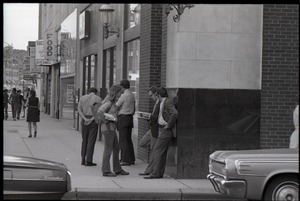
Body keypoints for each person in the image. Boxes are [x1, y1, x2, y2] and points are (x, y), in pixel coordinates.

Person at [144, 87, 178, 179]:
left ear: (158, 95)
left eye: (155, 95)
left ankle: (156, 173)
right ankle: (159, 173)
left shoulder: (167, 102)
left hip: (165, 130)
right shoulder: (163, 102)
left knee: (157, 150)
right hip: (161, 129)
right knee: (161, 152)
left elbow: (174, 113)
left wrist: (169, 125)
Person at [97, 84, 130, 177]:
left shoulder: (113, 102)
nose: (121, 93)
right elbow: (99, 112)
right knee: (108, 149)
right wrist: (106, 120)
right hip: (108, 128)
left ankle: (117, 169)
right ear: (116, 92)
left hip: (111, 128)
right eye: (120, 92)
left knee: (116, 148)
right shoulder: (109, 103)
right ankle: (106, 170)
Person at [138, 86, 160, 176]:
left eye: (151, 96)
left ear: (156, 94)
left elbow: (160, 117)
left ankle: (149, 170)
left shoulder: (160, 103)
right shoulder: (156, 103)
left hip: (156, 130)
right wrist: (148, 117)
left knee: (153, 151)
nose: (150, 98)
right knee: (142, 143)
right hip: (152, 128)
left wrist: (150, 116)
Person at [77, 87, 102, 166]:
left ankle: (82, 160)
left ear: (88, 92)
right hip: (93, 120)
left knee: (84, 140)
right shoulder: (98, 99)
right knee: (91, 140)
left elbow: (79, 109)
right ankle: (89, 160)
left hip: (84, 119)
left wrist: (84, 119)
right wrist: (91, 120)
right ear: (96, 92)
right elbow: (98, 111)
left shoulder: (82, 98)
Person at [116, 79, 136, 166]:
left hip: (123, 118)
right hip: (130, 118)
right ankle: (131, 158)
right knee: (128, 139)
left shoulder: (124, 95)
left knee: (123, 140)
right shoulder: (131, 95)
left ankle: (125, 159)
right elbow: (134, 108)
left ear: (122, 86)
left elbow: (117, 106)